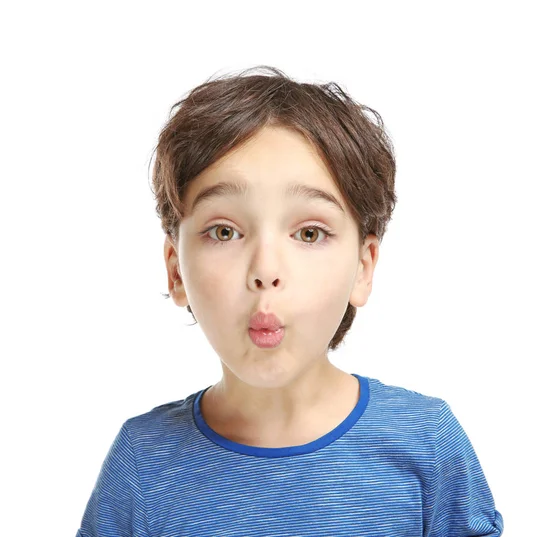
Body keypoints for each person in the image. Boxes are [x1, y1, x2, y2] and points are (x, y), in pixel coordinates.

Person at [76, 65, 503, 537]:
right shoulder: (141, 461)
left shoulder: (427, 443)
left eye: (308, 233)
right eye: (224, 231)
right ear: (177, 270)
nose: (266, 270)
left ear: (363, 267)